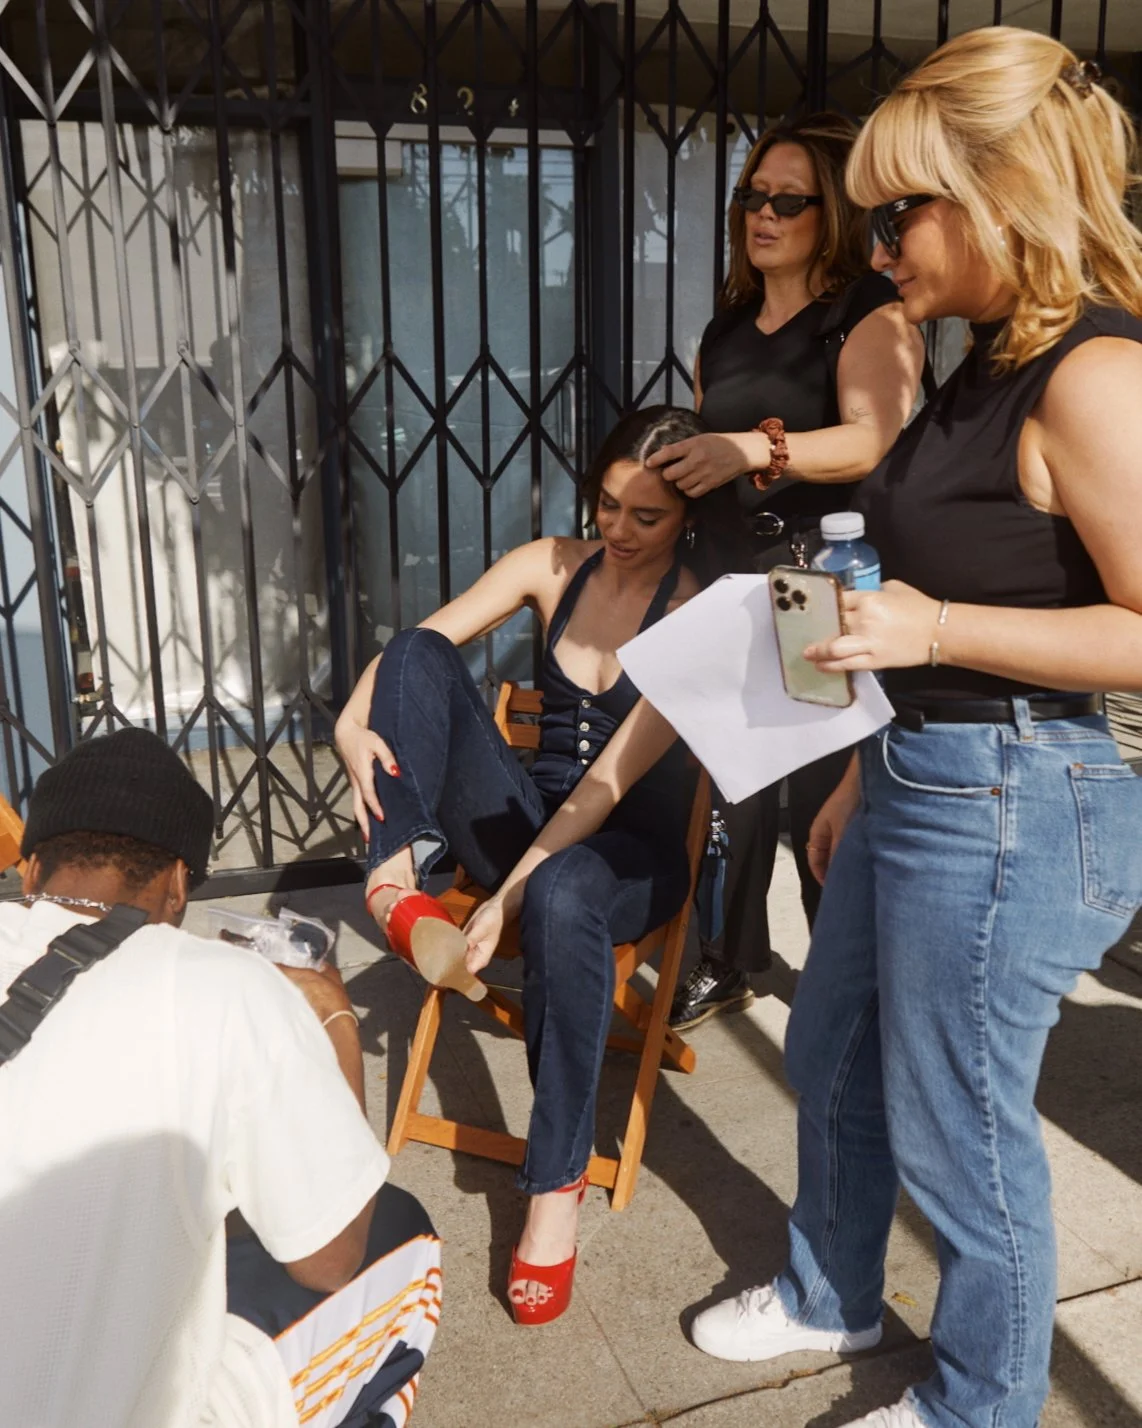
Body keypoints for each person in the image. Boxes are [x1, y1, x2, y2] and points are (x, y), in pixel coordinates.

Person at [689, 28, 1142, 1428]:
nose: (875, 247)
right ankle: (829, 1288)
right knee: (828, 1050)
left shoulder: (1091, 375)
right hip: (915, 775)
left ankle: (977, 1405)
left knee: (961, 1135)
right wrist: (860, 766)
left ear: (996, 188)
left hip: (1010, 796)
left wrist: (933, 635)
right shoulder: (978, 360)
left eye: (898, 213)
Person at [334, 406, 734, 1326]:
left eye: (648, 517)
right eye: (607, 506)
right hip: (526, 819)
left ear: (687, 519)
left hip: (629, 848)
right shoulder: (550, 566)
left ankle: (554, 1190)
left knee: (558, 894)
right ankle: (393, 874)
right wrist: (349, 725)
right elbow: (410, 653)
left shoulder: (698, 612)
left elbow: (601, 792)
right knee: (422, 652)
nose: (620, 533)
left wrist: (498, 904)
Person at [0, 728, 440, 1428]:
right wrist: (335, 1022)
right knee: (404, 1234)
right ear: (178, 883)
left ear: (29, 874)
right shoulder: (226, 991)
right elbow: (332, 1253)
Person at [647, 112, 926, 1032]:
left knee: (818, 802)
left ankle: (844, 1007)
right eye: (751, 196)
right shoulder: (724, 333)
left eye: (788, 201)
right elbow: (703, 445)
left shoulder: (868, 315)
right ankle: (731, 959)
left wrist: (753, 450)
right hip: (726, 583)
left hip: (815, 587)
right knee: (732, 790)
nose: (762, 214)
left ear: (832, 215)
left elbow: (873, 436)